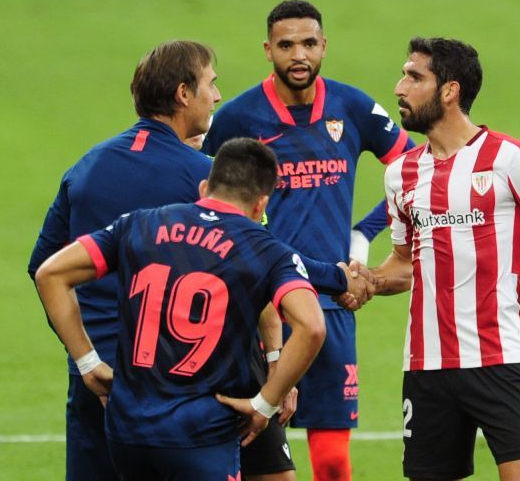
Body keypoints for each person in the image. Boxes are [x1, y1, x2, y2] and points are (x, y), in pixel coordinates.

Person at [28, 41, 355, 481]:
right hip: (193, 380)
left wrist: (85, 357)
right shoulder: (203, 177)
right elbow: (262, 257)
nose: (216, 96)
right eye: (210, 84)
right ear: (184, 94)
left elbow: (44, 267)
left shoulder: (86, 167)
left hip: (100, 379)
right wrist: (338, 277)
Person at [367, 37, 520, 481]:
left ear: (450, 91)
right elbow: (405, 264)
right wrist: (366, 281)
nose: (399, 87)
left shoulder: (512, 159)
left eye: (414, 76)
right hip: (427, 368)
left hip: (502, 359)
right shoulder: (400, 174)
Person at [203, 0, 415, 480]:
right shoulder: (237, 118)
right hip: (257, 306)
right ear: (267, 50)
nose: (298, 55)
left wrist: (366, 230)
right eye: (286, 45)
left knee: (334, 461)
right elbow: (198, 193)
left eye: (308, 43)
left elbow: (417, 170)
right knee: (248, 450)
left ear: (324, 46)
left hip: (332, 303)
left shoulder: (353, 107)